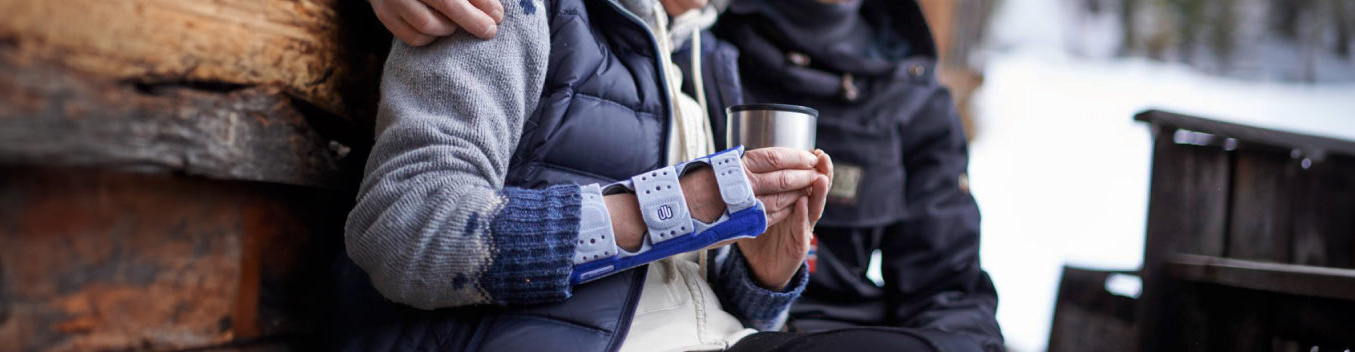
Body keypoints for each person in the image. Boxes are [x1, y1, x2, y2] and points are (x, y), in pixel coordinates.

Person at [345, 0, 992, 350]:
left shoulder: (710, 57)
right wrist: (680, 204)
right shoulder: (524, 11)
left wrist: (764, 274)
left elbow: (703, 298)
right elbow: (404, 226)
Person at [713, 0, 1005, 350]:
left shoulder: (912, 96)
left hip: (849, 331)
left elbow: (948, 288)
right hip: (715, 327)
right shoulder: (698, 51)